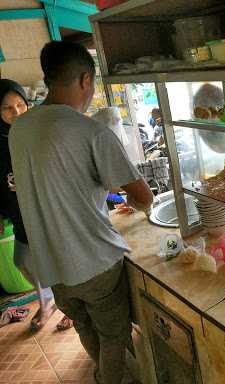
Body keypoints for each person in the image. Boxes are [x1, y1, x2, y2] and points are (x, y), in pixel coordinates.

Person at [10, 41, 153, 384]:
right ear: (85, 80)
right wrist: (123, 192)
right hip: (94, 262)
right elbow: (144, 198)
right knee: (114, 335)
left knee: (85, 327)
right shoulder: (90, 131)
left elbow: (57, 180)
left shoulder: (20, 129)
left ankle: (102, 373)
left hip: (51, 266)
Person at [0, 79, 72, 332]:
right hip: (17, 213)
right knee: (22, 261)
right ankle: (50, 300)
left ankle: (69, 308)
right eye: (8, 108)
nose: (17, 112)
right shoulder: (0, 141)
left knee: (55, 261)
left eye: (20, 105)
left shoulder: (36, 134)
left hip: (43, 211)